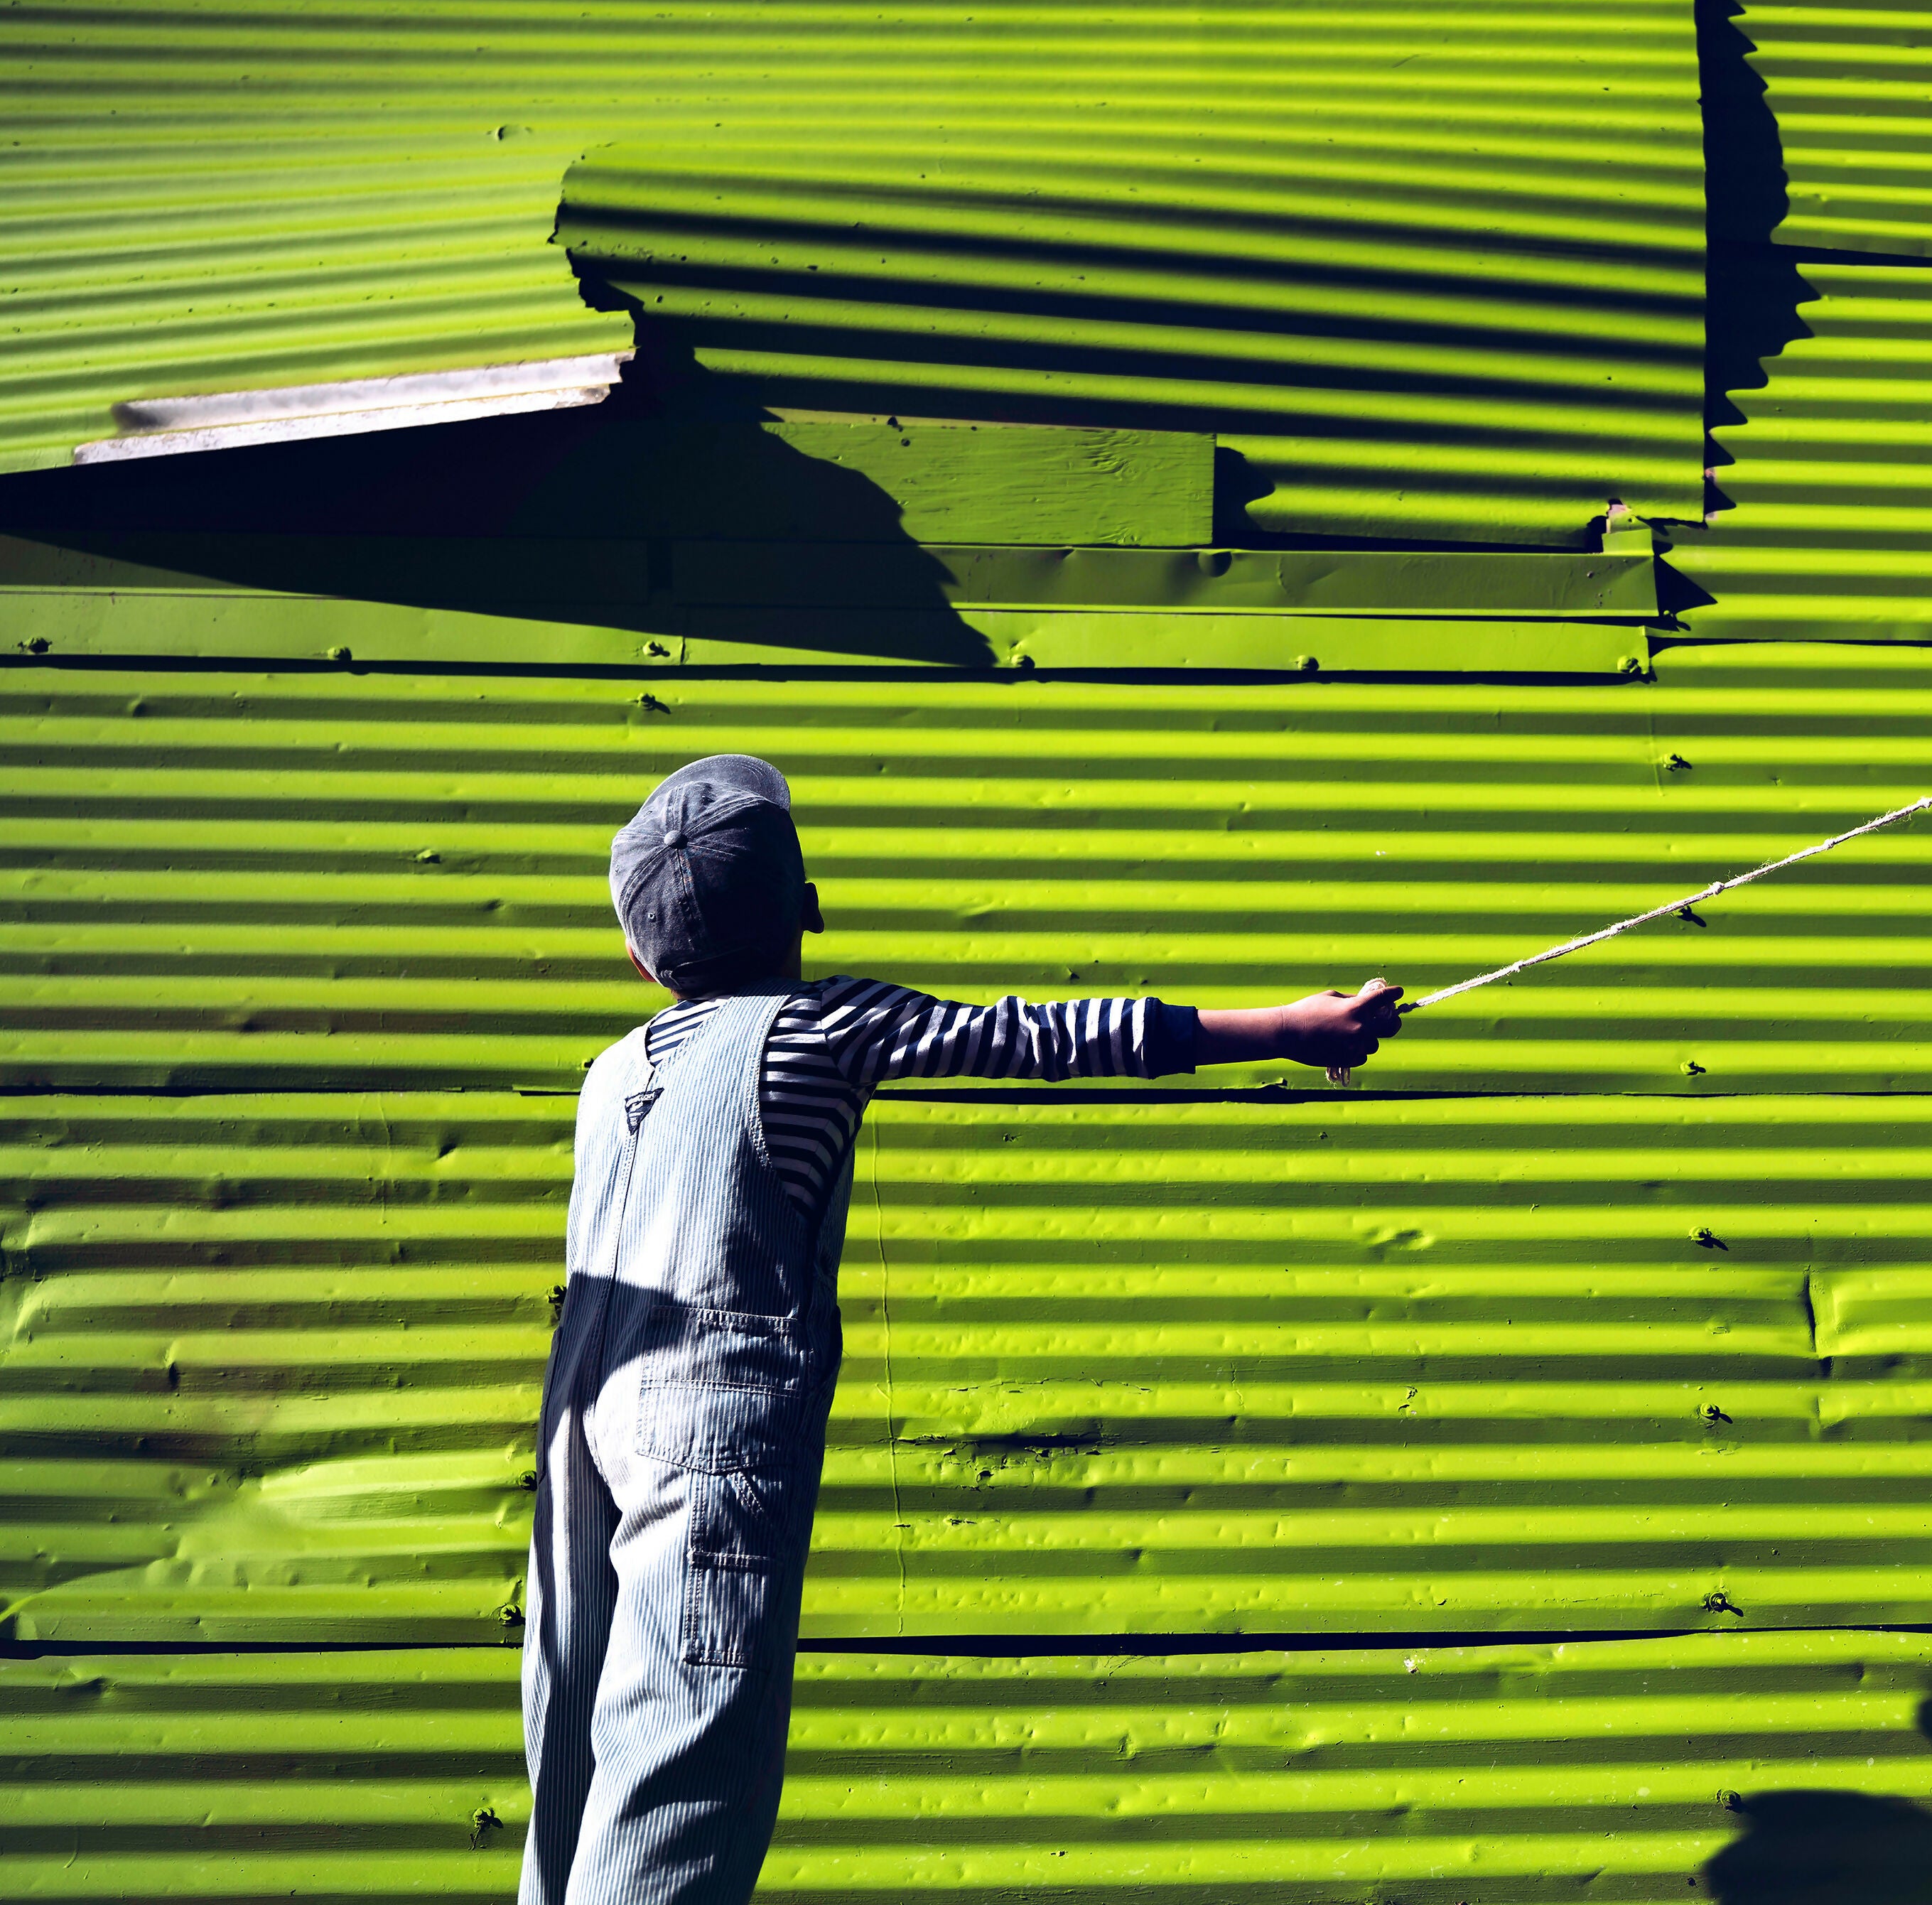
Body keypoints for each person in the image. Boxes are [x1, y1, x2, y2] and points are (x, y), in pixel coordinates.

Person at [521, 754, 1401, 1904]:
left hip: (579, 1431)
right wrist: (1282, 1026)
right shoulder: (818, 1027)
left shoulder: (608, 1074)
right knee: (677, 1781)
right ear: (806, 909)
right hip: (709, 1440)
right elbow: (1041, 1036)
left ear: (639, 956)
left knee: (571, 1766)